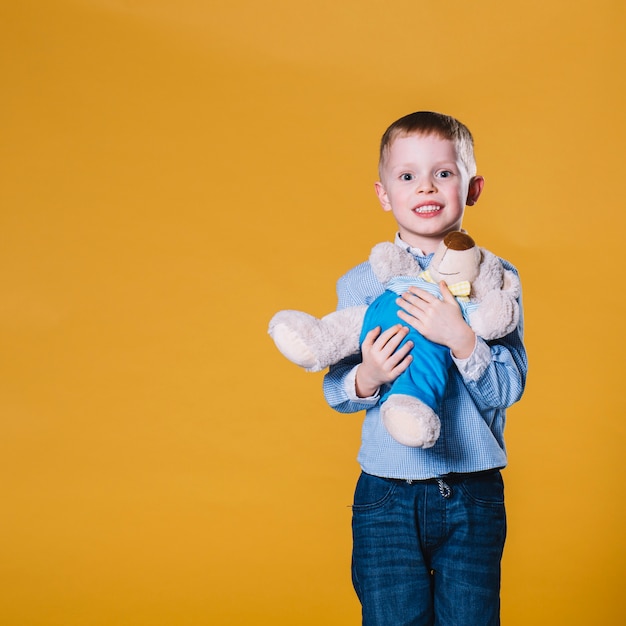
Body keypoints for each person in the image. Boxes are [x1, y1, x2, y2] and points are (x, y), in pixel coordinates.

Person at [322, 111, 527, 625]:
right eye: (408, 176)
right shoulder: (361, 283)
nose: (426, 187)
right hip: (388, 493)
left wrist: (461, 339)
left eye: (444, 172)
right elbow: (336, 389)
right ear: (384, 194)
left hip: (473, 490)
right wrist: (368, 375)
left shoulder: (497, 279)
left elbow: (509, 386)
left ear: (472, 187)